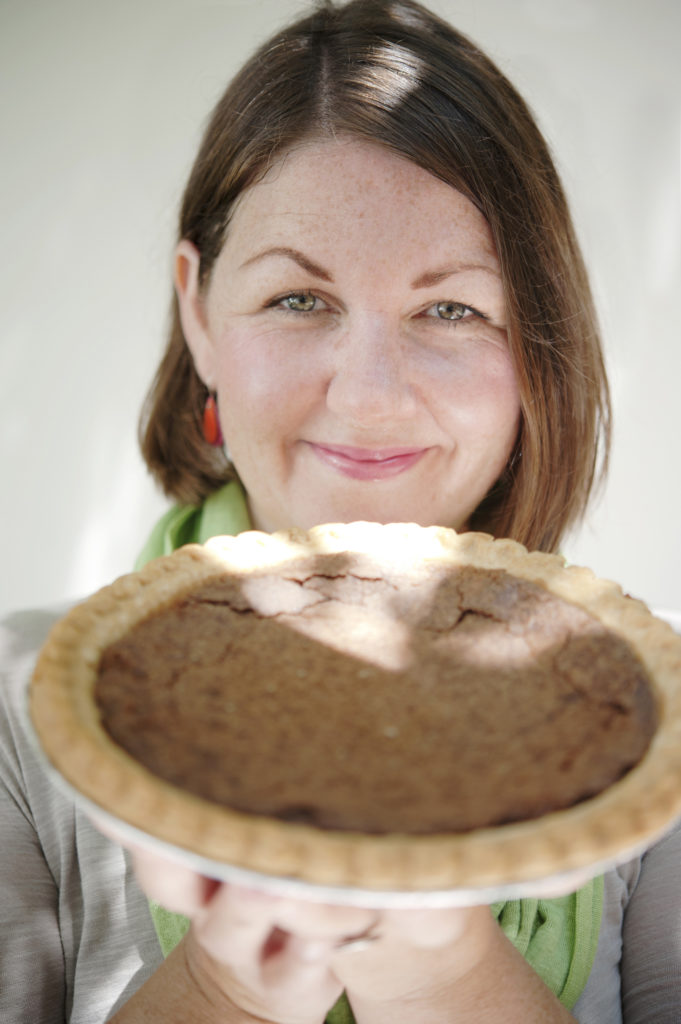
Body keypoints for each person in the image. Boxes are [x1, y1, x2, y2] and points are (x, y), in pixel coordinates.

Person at [1, 1, 679, 1021]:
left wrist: (440, 965)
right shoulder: (21, 711)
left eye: (450, 308)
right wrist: (230, 983)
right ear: (198, 309)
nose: (367, 396)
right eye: (299, 299)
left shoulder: (652, 724)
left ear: (538, 342)